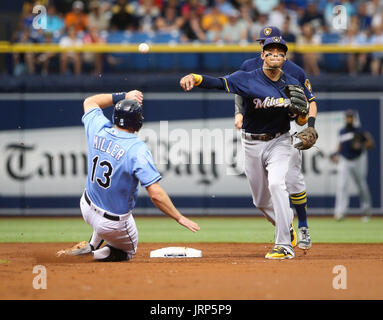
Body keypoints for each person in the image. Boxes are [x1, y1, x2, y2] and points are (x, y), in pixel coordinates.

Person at [180, 37, 317, 259]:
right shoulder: (246, 78)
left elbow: (300, 116)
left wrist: (305, 121)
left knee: (276, 184)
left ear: (284, 58)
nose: (275, 56)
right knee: (260, 201)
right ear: (262, 55)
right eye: (270, 52)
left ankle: (284, 245)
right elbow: (218, 83)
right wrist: (195, 78)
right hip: (251, 143)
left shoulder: (292, 83)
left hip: (279, 141)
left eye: (280, 53)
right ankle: (286, 225)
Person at [57, 90, 200, 261]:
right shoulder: (136, 149)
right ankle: (90, 255)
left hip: (86, 206)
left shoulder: (99, 128)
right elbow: (155, 194)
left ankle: (91, 245)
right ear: (138, 122)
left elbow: (90, 102)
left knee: (107, 204)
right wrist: (179, 217)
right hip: (112, 223)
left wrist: (123, 96)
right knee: (128, 252)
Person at [233, 26, 318, 250]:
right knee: (262, 197)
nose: (269, 47)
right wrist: (238, 113)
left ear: (283, 48)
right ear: (262, 47)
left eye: (275, 45)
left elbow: (309, 103)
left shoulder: (295, 72)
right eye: (264, 42)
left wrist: (309, 125)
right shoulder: (249, 66)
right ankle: (286, 226)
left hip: (286, 130)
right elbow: (239, 92)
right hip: (257, 128)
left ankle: (304, 226)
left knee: (292, 180)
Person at [331, 110, 375, 222]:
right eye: (347, 117)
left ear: (354, 119)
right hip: (344, 160)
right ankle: (340, 212)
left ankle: (367, 211)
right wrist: (336, 154)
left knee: (361, 186)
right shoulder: (342, 131)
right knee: (342, 186)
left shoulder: (359, 131)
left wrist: (361, 145)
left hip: (358, 160)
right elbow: (340, 145)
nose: (348, 119)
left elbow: (371, 143)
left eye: (350, 117)